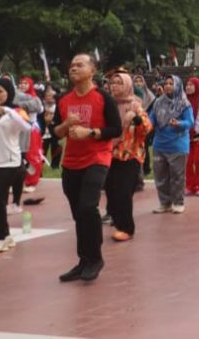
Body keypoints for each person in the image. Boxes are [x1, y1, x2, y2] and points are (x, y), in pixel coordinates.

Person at [53, 54, 122, 282]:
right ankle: (84, 260)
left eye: (79, 65)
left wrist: (90, 132)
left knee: (87, 206)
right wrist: (67, 124)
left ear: (92, 70)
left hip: (97, 158)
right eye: (71, 65)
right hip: (71, 162)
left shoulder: (103, 97)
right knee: (79, 214)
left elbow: (116, 129)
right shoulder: (63, 99)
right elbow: (56, 132)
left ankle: (95, 259)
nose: (73, 68)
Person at [104, 70, 151, 242]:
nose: (114, 86)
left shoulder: (134, 106)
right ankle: (117, 223)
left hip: (130, 155)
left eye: (119, 83)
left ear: (127, 86)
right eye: (112, 83)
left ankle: (126, 228)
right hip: (110, 154)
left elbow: (147, 128)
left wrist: (136, 119)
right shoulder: (108, 105)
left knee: (124, 192)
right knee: (110, 190)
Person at [0, 78, 33, 254]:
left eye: (0, 91)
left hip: (9, 163)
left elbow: (27, 127)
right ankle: (6, 236)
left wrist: (7, 110)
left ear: (9, 92)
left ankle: (1, 238)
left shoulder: (17, 111)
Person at [149, 75, 194, 214]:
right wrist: (144, 125)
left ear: (177, 85)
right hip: (159, 145)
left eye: (171, 83)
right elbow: (151, 120)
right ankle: (165, 203)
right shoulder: (158, 102)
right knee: (160, 176)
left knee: (177, 176)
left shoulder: (184, 103)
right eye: (166, 83)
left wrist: (179, 123)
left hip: (178, 146)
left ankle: (178, 202)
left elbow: (190, 122)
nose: (168, 86)